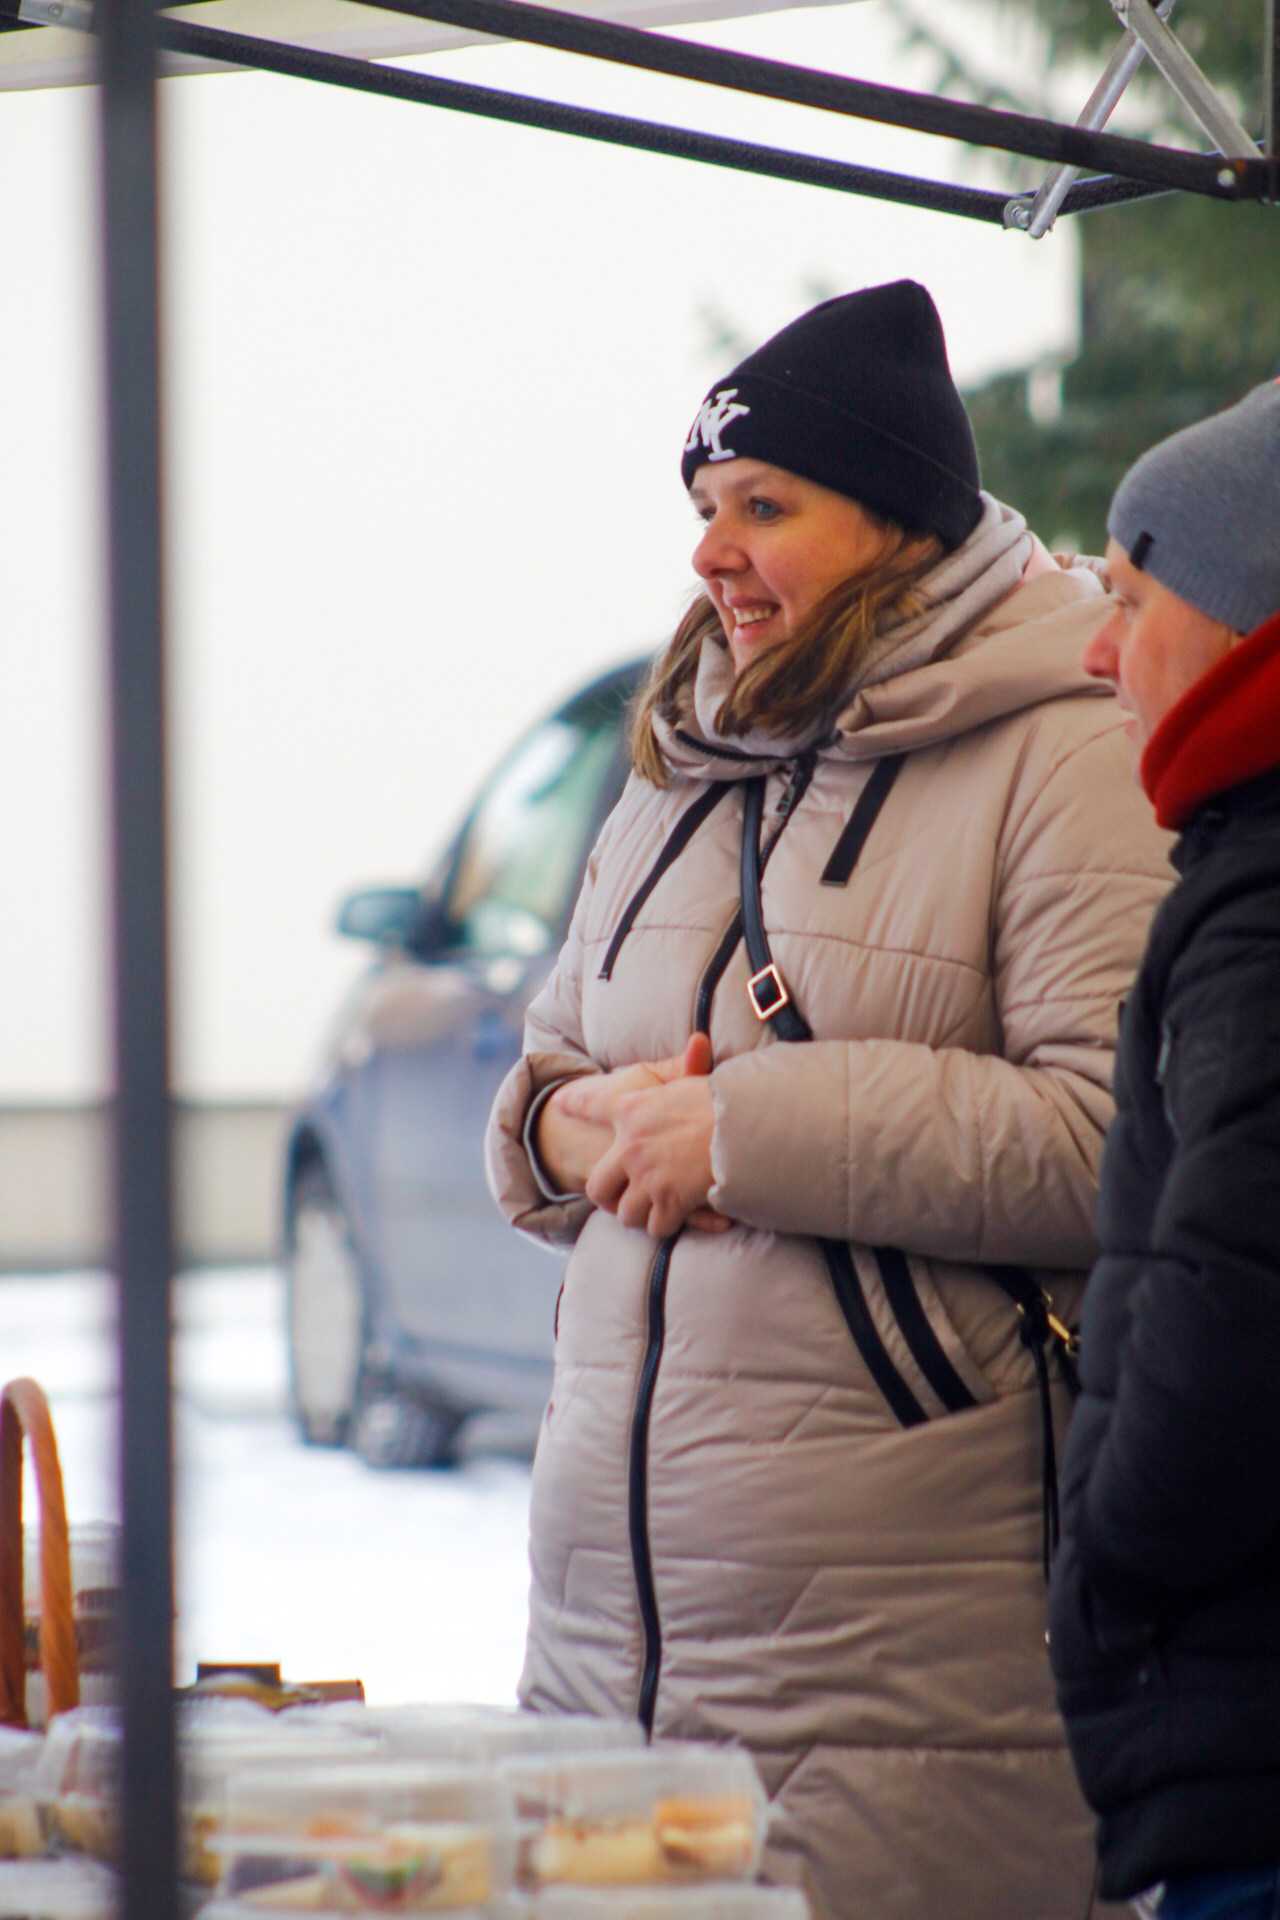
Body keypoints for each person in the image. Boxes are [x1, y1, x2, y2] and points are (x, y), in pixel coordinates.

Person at [485, 280, 1172, 1920]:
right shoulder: (682, 754)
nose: (712, 554)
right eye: (704, 508)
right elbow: (552, 1063)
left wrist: (744, 1134)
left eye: (764, 507)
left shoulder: (1063, 750)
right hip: (603, 1660)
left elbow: (1115, 1142)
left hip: (901, 1681)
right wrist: (565, 1131)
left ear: (901, 519)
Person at [1049, 381, 1280, 1920]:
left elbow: (1239, 1292)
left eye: (1129, 598)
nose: (1098, 650)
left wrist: (1114, 1565)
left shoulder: (1262, 906)